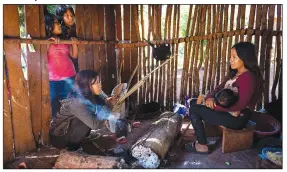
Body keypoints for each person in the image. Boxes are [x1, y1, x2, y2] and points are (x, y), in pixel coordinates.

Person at [184, 42, 264, 154]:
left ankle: (202, 146)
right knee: (193, 103)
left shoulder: (248, 78)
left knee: (194, 109)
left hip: (237, 119)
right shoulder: (235, 74)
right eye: (230, 56)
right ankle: (205, 135)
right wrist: (210, 98)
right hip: (226, 112)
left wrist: (214, 107)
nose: (230, 60)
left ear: (245, 58)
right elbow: (218, 88)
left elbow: (240, 105)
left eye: (234, 57)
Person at [49, 70, 117, 151]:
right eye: (96, 83)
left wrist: (107, 101)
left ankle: (82, 138)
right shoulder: (77, 102)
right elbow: (95, 125)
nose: (100, 85)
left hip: (69, 131)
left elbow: (102, 101)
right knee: (87, 119)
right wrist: (109, 105)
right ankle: (73, 146)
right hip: (60, 138)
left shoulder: (88, 94)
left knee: (90, 115)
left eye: (99, 82)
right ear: (86, 86)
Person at [44, 10, 78, 117]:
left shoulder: (64, 39)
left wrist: (74, 43)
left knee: (71, 102)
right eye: (56, 23)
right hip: (53, 80)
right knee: (54, 103)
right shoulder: (46, 41)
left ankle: (71, 127)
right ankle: (56, 127)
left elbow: (74, 55)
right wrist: (48, 42)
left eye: (58, 23)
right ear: (48, 26)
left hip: (70, 76)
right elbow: (41, 55)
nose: (59, 24)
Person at [56, 5, 79, 72]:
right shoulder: (58, 32)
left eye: (72, 14)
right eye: (67, 15)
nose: (71, 17)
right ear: (61, 17)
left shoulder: (78, 28)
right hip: (65, 66)